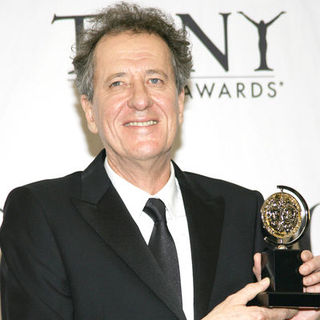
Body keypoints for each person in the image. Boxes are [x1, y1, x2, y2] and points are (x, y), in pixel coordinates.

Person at [1, 3, 319, 320]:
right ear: (89, 111)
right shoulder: (41, 214)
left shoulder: (243, 209)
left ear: (179, 102)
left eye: (155, 80)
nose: (140, 100)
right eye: (117, 83)